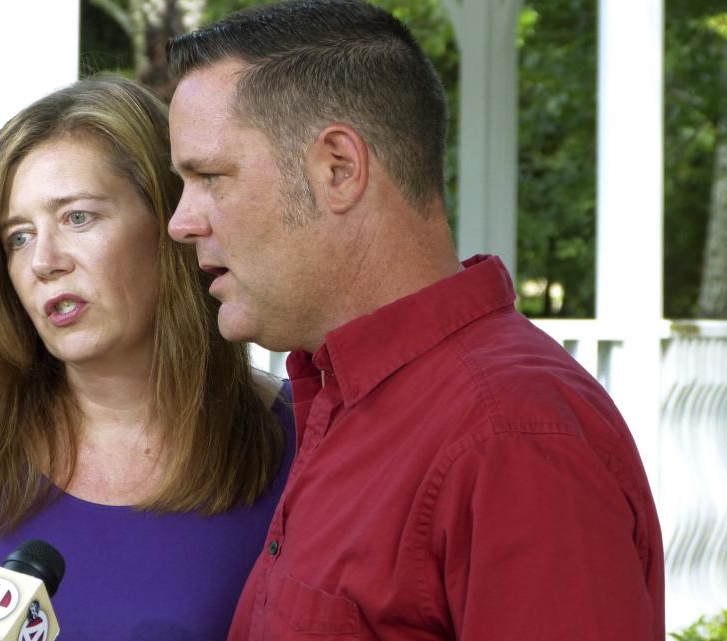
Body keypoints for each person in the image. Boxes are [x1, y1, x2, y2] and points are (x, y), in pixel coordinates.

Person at [165, 1, 665, 639]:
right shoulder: (340, 399)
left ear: (338, 169)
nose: (182, 221)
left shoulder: (512, 437)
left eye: (211, 176)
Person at [0, 74, 293, 641]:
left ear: (171, 223)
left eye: (78, 217)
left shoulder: (297, 441)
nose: (43, 262)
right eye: (18, 237)